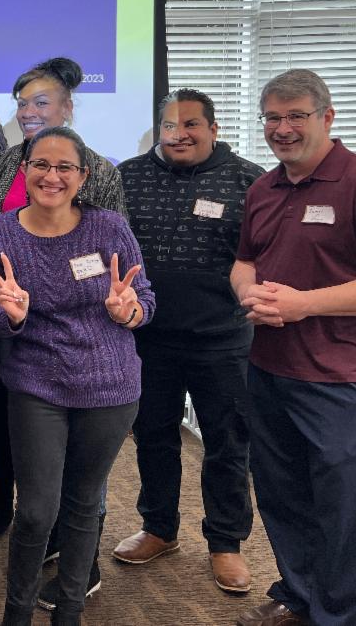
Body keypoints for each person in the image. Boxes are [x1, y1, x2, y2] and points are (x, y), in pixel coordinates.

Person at [231, 69, 356, 626]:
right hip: (271, 368)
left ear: (327, 118)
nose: (283, 129)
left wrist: (306, 304)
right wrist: (246, 289)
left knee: (344, 512)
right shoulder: (264, 187)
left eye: (296, 116)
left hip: (344, 378)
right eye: (273, 118)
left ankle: (341, 617)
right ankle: (300, 599)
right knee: (283, 499)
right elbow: (245, 260)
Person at [0, 126, 153, 626]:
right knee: (35, 510)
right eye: (40, 165)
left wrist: (128, 312)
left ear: (83, 176)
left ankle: (69, 611)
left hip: (109, 386)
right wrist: (10, 315)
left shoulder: (109, 227)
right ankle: (18, 611)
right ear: (23, 171)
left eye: (64, 168)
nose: (51, 176)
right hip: (36, 385)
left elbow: (146, 301)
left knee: (83, 504)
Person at [113, 90, 264, 595]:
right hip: (146, 337)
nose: (179, 134)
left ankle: (226, 544)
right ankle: (160, 528)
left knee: (227, 443)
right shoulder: (127, 176)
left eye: (191, 124)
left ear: (214, 128)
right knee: (153, 436)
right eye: (170, 125)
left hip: (222, 340)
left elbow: (266, 255)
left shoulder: (249, 180)